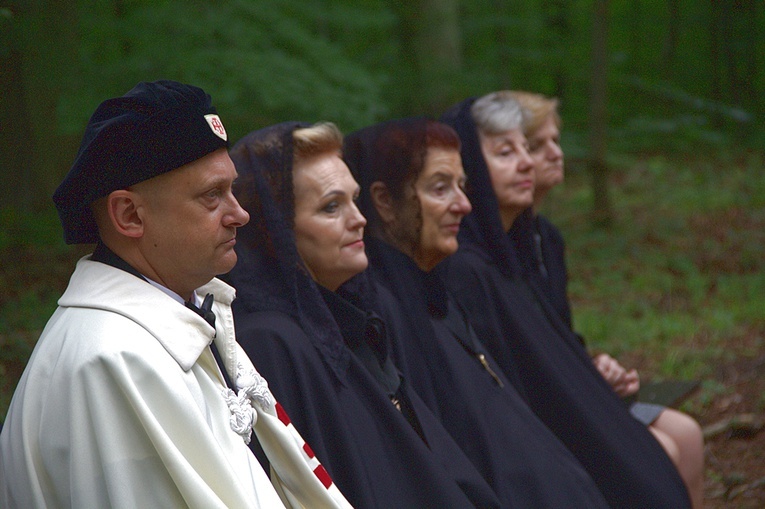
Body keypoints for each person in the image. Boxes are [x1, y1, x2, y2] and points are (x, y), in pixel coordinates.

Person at [0, 81, 351, 508]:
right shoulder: (112, 360)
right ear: (129, 214)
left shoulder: (177, 318)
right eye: (211, 196)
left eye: (233, 190)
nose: (239, 214)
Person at [226, 121, 500, 508]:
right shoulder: (272, 342)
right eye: (331, 206)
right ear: (276, 233)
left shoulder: (356, 317)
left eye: (354, 200)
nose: (359, 219)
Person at [440, 91, 693, 508]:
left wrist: (592, 373)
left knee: (664, 452)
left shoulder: (521, 250)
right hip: (533, 442)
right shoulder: (469, 270)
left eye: (528, 148)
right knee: (651, 462)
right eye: (507, 152)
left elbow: (554, 349)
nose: (528, 162)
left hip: (561, 418)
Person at [343, 116, 610, 508]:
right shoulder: (387, 311)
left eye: (463, 187)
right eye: (440, 188)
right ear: (384, 201)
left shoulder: (435, 291)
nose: (464, 204)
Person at [510, 89, 705, 508]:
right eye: (536, 145)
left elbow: (561, 336)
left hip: (580, 386)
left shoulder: (548, 238)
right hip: (547, 408)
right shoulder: (494, 251)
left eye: (555, 141)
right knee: (661, 451)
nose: (553, 154)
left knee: (687, 434)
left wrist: (599, 368)